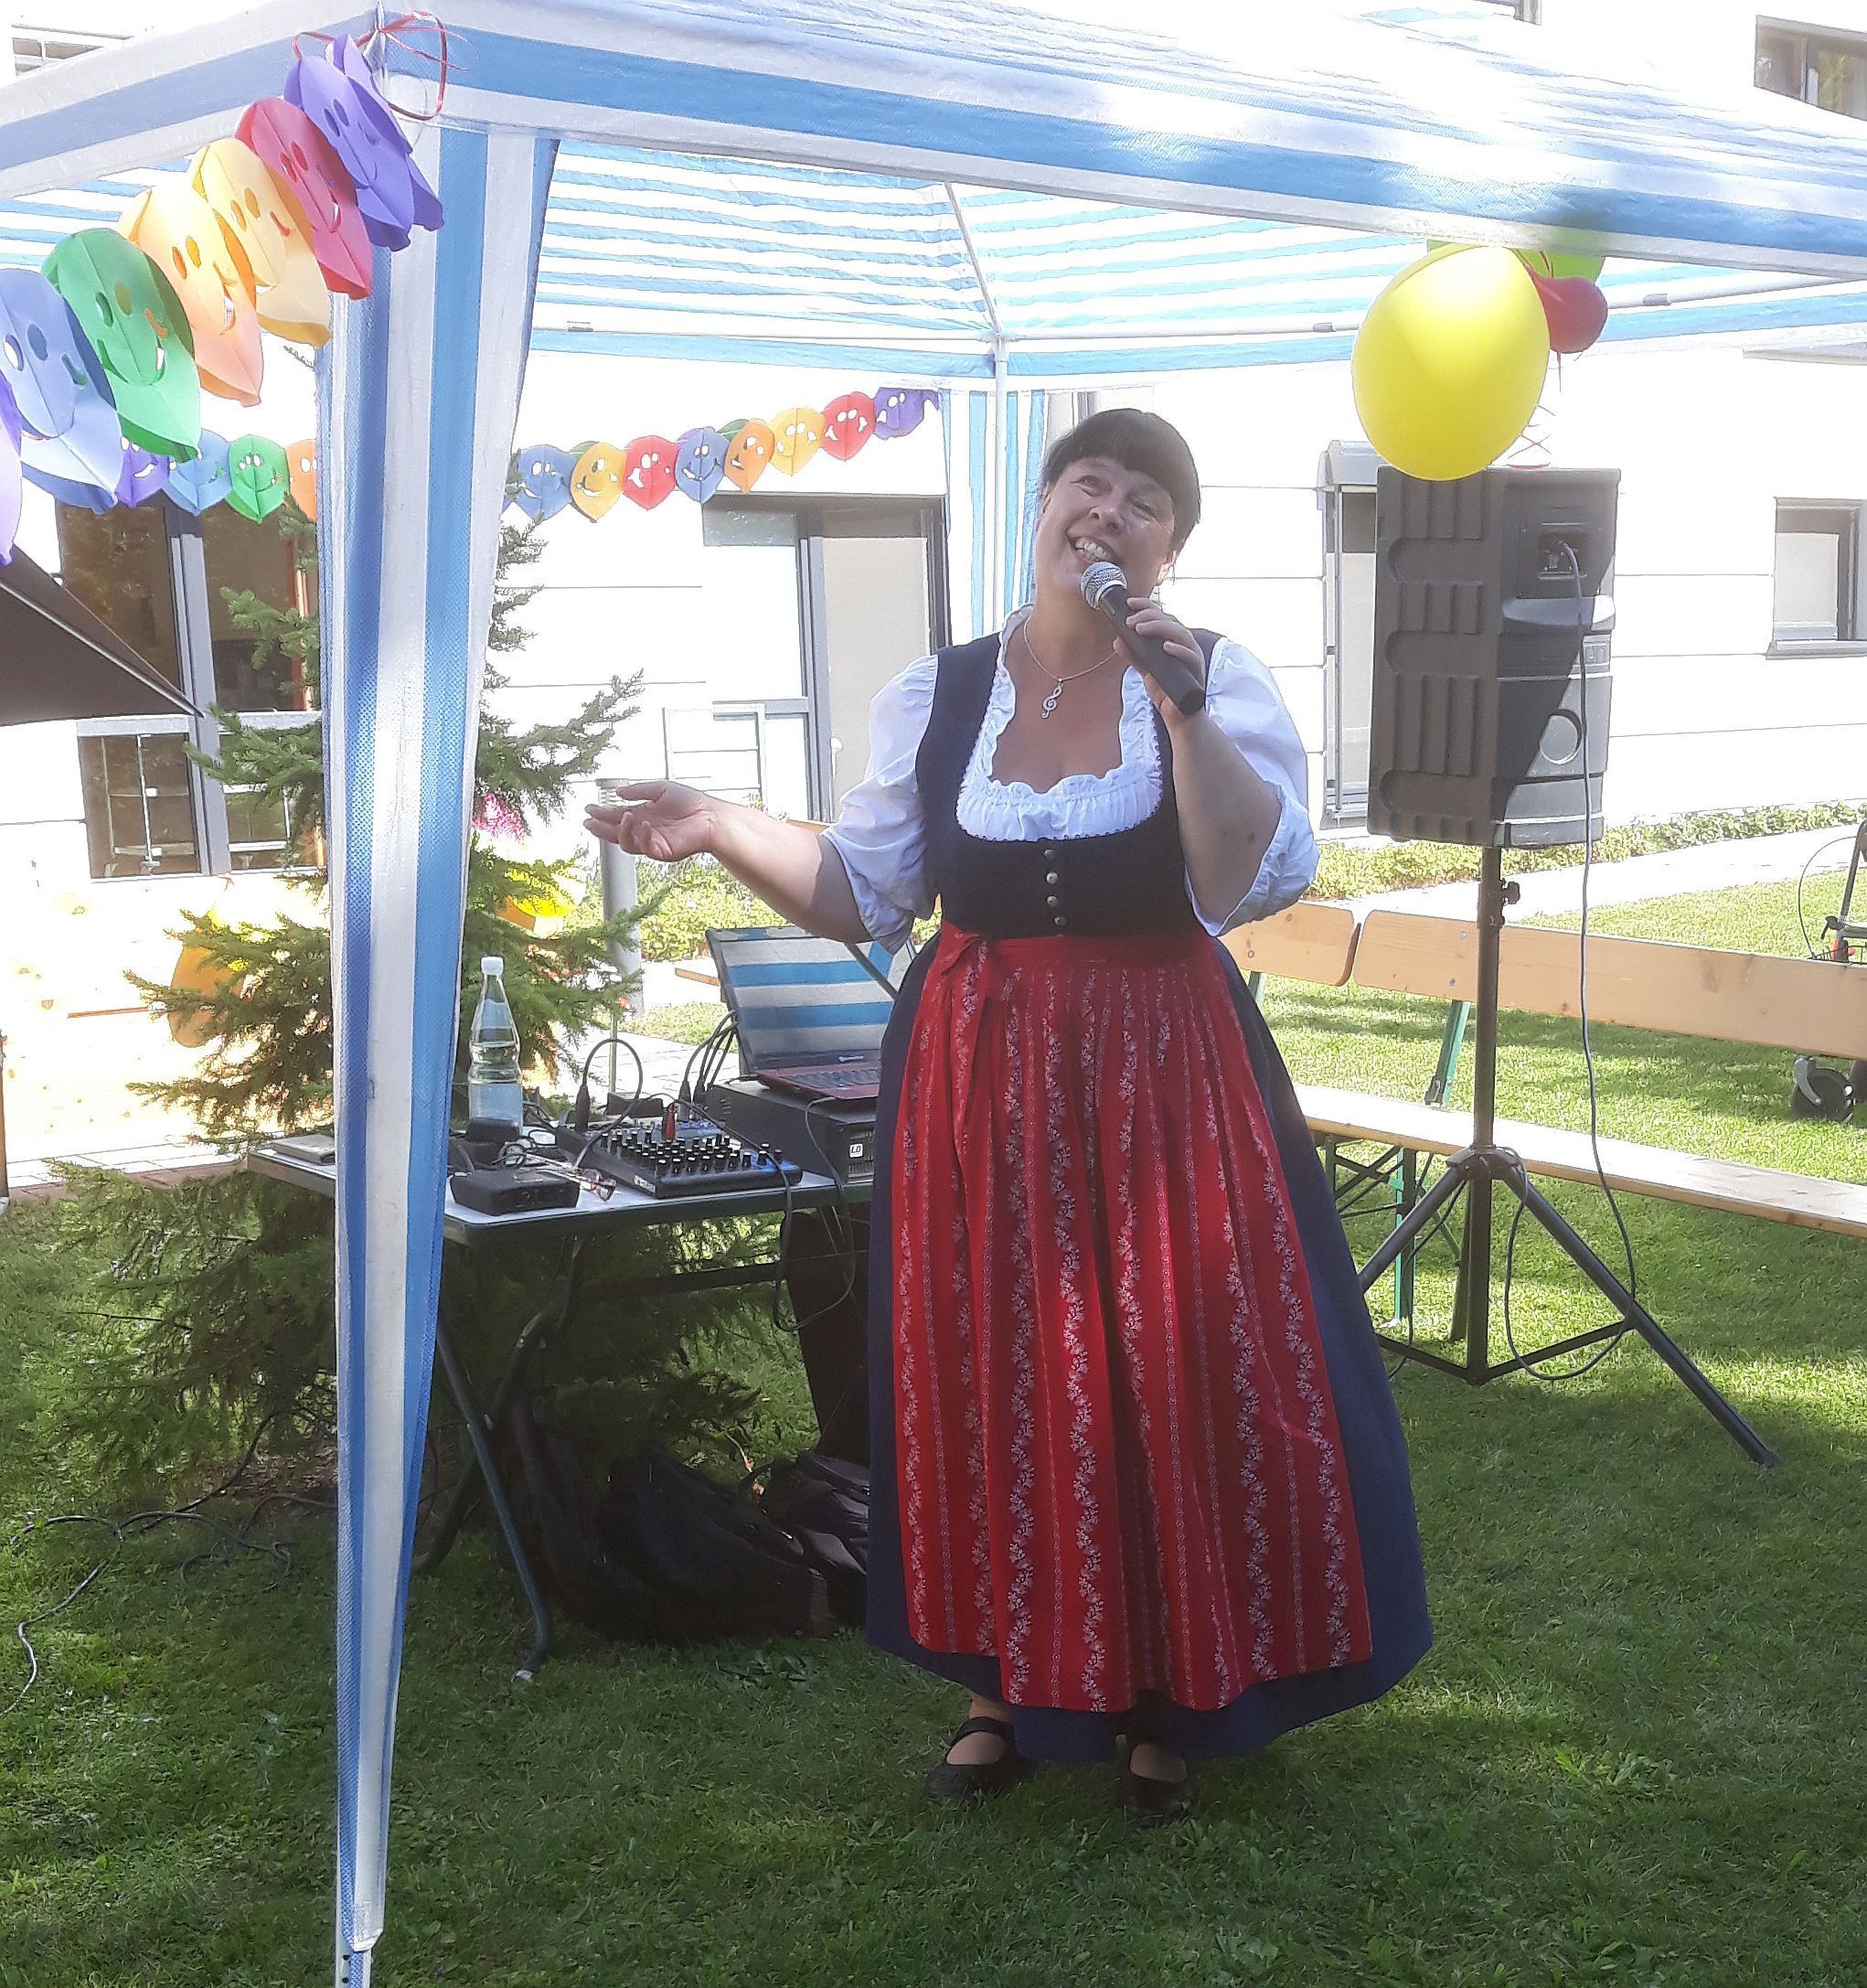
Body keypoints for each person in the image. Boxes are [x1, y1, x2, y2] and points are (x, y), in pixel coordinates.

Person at [586, 408, 1430, 1825]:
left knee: (1164, 1360)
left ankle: (1173, 1691)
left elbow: (1238, 875)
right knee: (995, 1363)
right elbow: (862, 888)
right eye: (1086, 481)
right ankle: (1003, 1684)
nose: (1107, 509)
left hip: (1159, 1070)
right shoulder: (943, 692)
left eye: (1144, 499)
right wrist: (725, 823)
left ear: (1168, 549)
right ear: (1040, 511)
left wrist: (1184, 709)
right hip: (977, 1077)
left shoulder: (1209, 677)